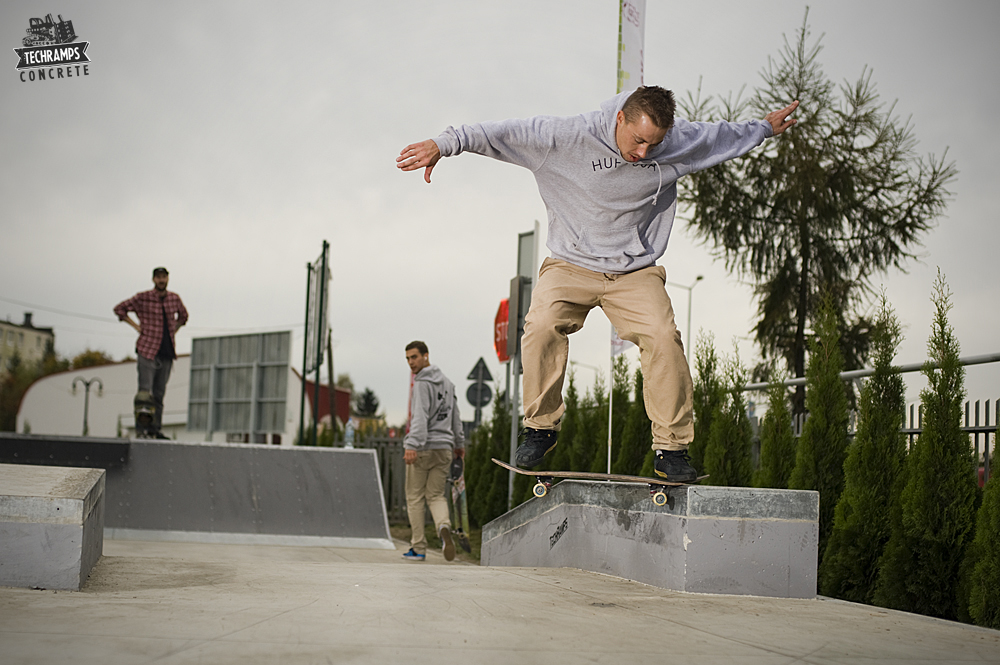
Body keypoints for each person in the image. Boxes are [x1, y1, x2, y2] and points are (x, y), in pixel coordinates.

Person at [397, 86, 798, 482]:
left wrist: (764, 127)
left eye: (653, 145)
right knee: (539, 326)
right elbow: (496, 133)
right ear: (620, 117)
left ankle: (671, 449)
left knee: (662, 335)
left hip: (634, 271)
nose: (643, 153)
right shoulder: (563, 137)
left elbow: (722, 137)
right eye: (638, 140)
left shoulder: (675, 143)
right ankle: (540, 428)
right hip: (570, 264)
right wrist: (442, 144)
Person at [401, 341, 465, 561]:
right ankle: (444, 527)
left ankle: (418, 548)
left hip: (423, 448)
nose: (411, 362)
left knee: (415, 497)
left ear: (426, 356)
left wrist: (412, 445)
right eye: (408, 358)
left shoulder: (421, 383)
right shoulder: (448, 384)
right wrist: (459, 443)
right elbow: (456, 416)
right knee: (436, 496)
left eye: (414, 357)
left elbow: (419, 417)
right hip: (445, 448)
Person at [113, 267, 188, 439]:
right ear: (153, 280)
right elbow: (119, 309)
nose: (161, 280)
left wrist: (172, 330)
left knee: (159, 394)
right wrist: (136, 326)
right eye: (158, 278)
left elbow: (184, 316)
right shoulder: (144, 297)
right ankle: (142, 429)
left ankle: (156, 429)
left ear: (168, 279)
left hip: (166, 352)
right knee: (145, 393)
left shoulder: (174, 298)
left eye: (164, 277)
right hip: (147, 349)